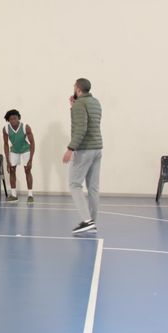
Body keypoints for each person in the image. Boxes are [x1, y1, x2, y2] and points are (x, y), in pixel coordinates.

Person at [62, 78, 103, 234]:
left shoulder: (80, 104)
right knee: (93, 188)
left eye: (74, 87)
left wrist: (70, 149)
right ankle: (92, 222)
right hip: (97, 148)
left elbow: (81, 128)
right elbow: (90, 123)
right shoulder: (95, 102)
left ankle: (87, 221)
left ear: (78, 89)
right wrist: (74, 107)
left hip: (85, 149)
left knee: (74, 184)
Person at [2, 109, 36, 204]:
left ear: (18, 118)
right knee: (12, 170)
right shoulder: (6, 129)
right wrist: (8, 161)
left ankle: (30, 195)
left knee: (27, 170)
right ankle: (13, 195)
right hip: (14, 150)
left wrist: (31, 160)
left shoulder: (25, 127)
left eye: (15, 118)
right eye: (11, 119)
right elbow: (5, 144)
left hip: (26, 150)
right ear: (8, 120)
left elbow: (32, 143)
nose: (13, 120)